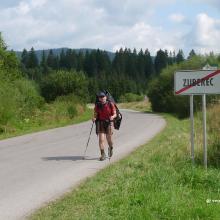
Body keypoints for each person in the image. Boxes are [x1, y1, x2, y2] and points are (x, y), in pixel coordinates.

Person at [92, 91, 117, 161]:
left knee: (109, 140)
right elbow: (95, 114)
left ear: (106, 97)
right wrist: (94, 118)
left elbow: (115, 114)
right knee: (101, 140)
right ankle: (102, 154)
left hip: (109, 123)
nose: (102, 98)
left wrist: (112, 116)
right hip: (101, 123)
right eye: (100, 97)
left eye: (103, 97)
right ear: (99, 98)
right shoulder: (97, 105)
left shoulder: (110, 104)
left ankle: (111, 147)